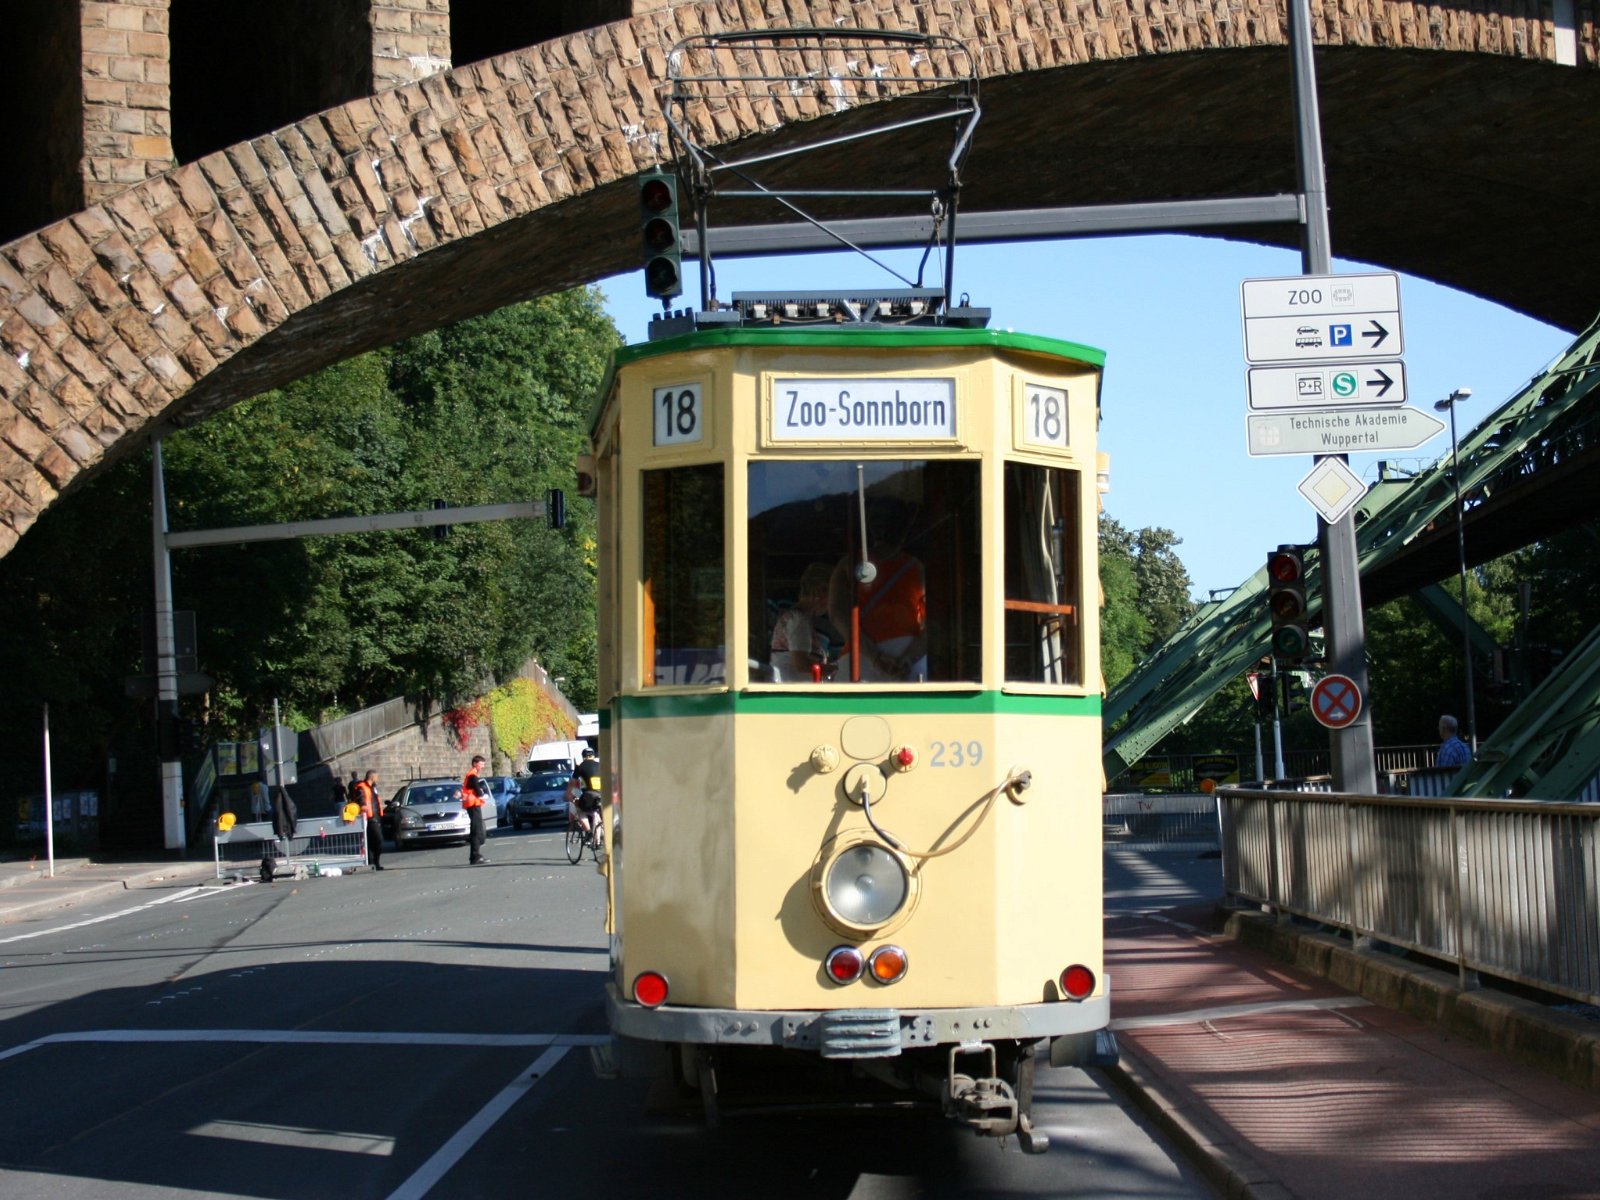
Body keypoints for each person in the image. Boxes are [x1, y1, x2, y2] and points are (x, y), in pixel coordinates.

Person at [829, 503, 927, 682]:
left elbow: (837, 614)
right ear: (903, 529)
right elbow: (932, 625)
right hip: (906, 653)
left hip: (859, 658)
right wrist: (908, 658)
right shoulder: (917, 568)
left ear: (870, 529)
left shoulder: (848, 563)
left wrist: (874, 656)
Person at [770, 563, 833, 681]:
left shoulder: (798, 619)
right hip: (793, 693)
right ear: (819, 592)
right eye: (832, 594)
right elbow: (801, 664)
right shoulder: (798, 621)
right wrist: (835, 670)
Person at [462, 755, 492, 865]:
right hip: (473, 804)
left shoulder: (472, 775)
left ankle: (475, 855)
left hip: (472, 804)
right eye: (481, 764)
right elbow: (477, 790)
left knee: (476, 830)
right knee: (476, 830)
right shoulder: (472, 776)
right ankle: (475, 856)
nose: (483, 766)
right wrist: (482, 794)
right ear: (475, 763)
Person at [353, 769, 384, 871]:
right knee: (378, 840)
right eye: (376, 777)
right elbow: (360, 799)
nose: (377, 779)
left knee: (372, 841)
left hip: (376, 817)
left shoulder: (373, 788)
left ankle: (374, 863)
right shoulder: (362, 787)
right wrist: (363, 806)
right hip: (369, 818)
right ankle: (373, 862)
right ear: (372, 777)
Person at [570, 748, 603, 843]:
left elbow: (572, 783)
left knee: (580, 809)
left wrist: (569, 795)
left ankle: (588, 832)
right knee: (598, 813)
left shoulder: (580, 767)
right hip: (603, 794)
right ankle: (598, 841)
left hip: (589, 794)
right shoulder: (600, 765)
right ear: (593, 756)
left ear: (583, 757)